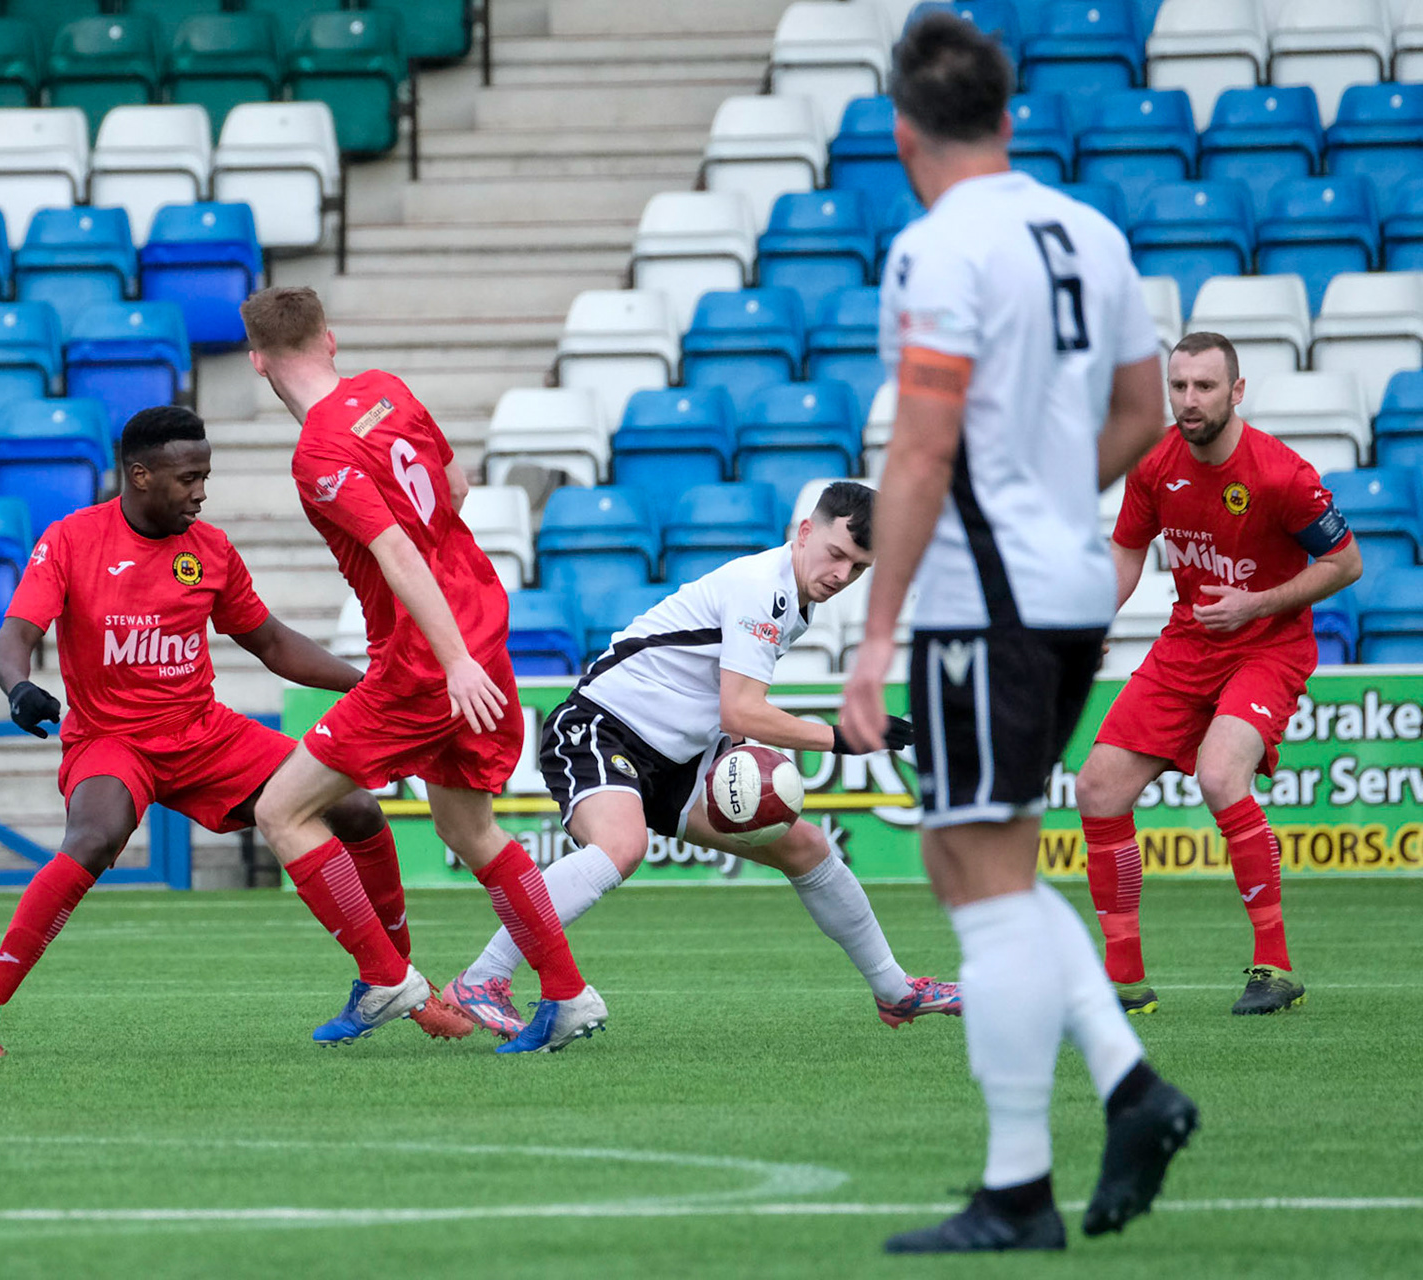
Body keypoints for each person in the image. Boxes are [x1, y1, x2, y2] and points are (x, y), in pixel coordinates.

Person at [839, 13, 1197, 1253]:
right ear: (1007, 113)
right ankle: (1129, 1088)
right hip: (1064, 590)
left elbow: (925, 443)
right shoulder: (1091, 231)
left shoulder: (937, 248)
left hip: (975, 606)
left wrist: (875, 634)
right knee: (971, 862)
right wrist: (1046, 493)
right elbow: (1145, 411)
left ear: (902, 130)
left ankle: (1018, 1186)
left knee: (983, 892)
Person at [0, 406, 473, 1058]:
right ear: (139, 476)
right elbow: (14, 638)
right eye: (187, 478)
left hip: (205, 734)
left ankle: (393, 979)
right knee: (92, 839)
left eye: (206, 476)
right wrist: (17, 686)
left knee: (358, 808)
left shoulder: (211, 551)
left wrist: (369, 684)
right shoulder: (71, 540)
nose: (200, 491)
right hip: (112, 740)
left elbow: (274, 643)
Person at [445, 482, 963, 1038]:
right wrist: (841, 738)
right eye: (837, 555)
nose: (842, 575)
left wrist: (731, 754)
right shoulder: (762, 588)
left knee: (807, 847)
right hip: (604, 726)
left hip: (678, 756)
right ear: (805, 532)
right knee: (621, 847)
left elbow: (720, 700)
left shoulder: (793, 599)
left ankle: (896, 993)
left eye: (858, 568)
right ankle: (484, 977)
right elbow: (742, 710)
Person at [240, 284, 606, 1055]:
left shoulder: (317, 454)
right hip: (478, 616)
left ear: (257, 362)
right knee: (469, 828)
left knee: (281, 812)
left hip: (424, 659)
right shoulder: (386, 390)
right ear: (330, 341)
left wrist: (450, 661)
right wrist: (465, 648)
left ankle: (386, 975)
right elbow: (457, 487)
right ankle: (567, 994)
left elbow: (397, 552)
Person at [1078, 332, 1360, 1018]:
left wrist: (1257, 603)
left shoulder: (1281, 475)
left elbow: (1346, 564)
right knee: (1097, 787)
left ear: (1236, 393)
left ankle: (1276, 966)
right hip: (1189, 643)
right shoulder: (1156, 466)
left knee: (1218, 773)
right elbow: (1125, 555)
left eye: (1204, 387)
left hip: (1268, 646)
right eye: (1179, 386)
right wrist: (1088, 630)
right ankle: (1126, 985)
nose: (1189, 400)